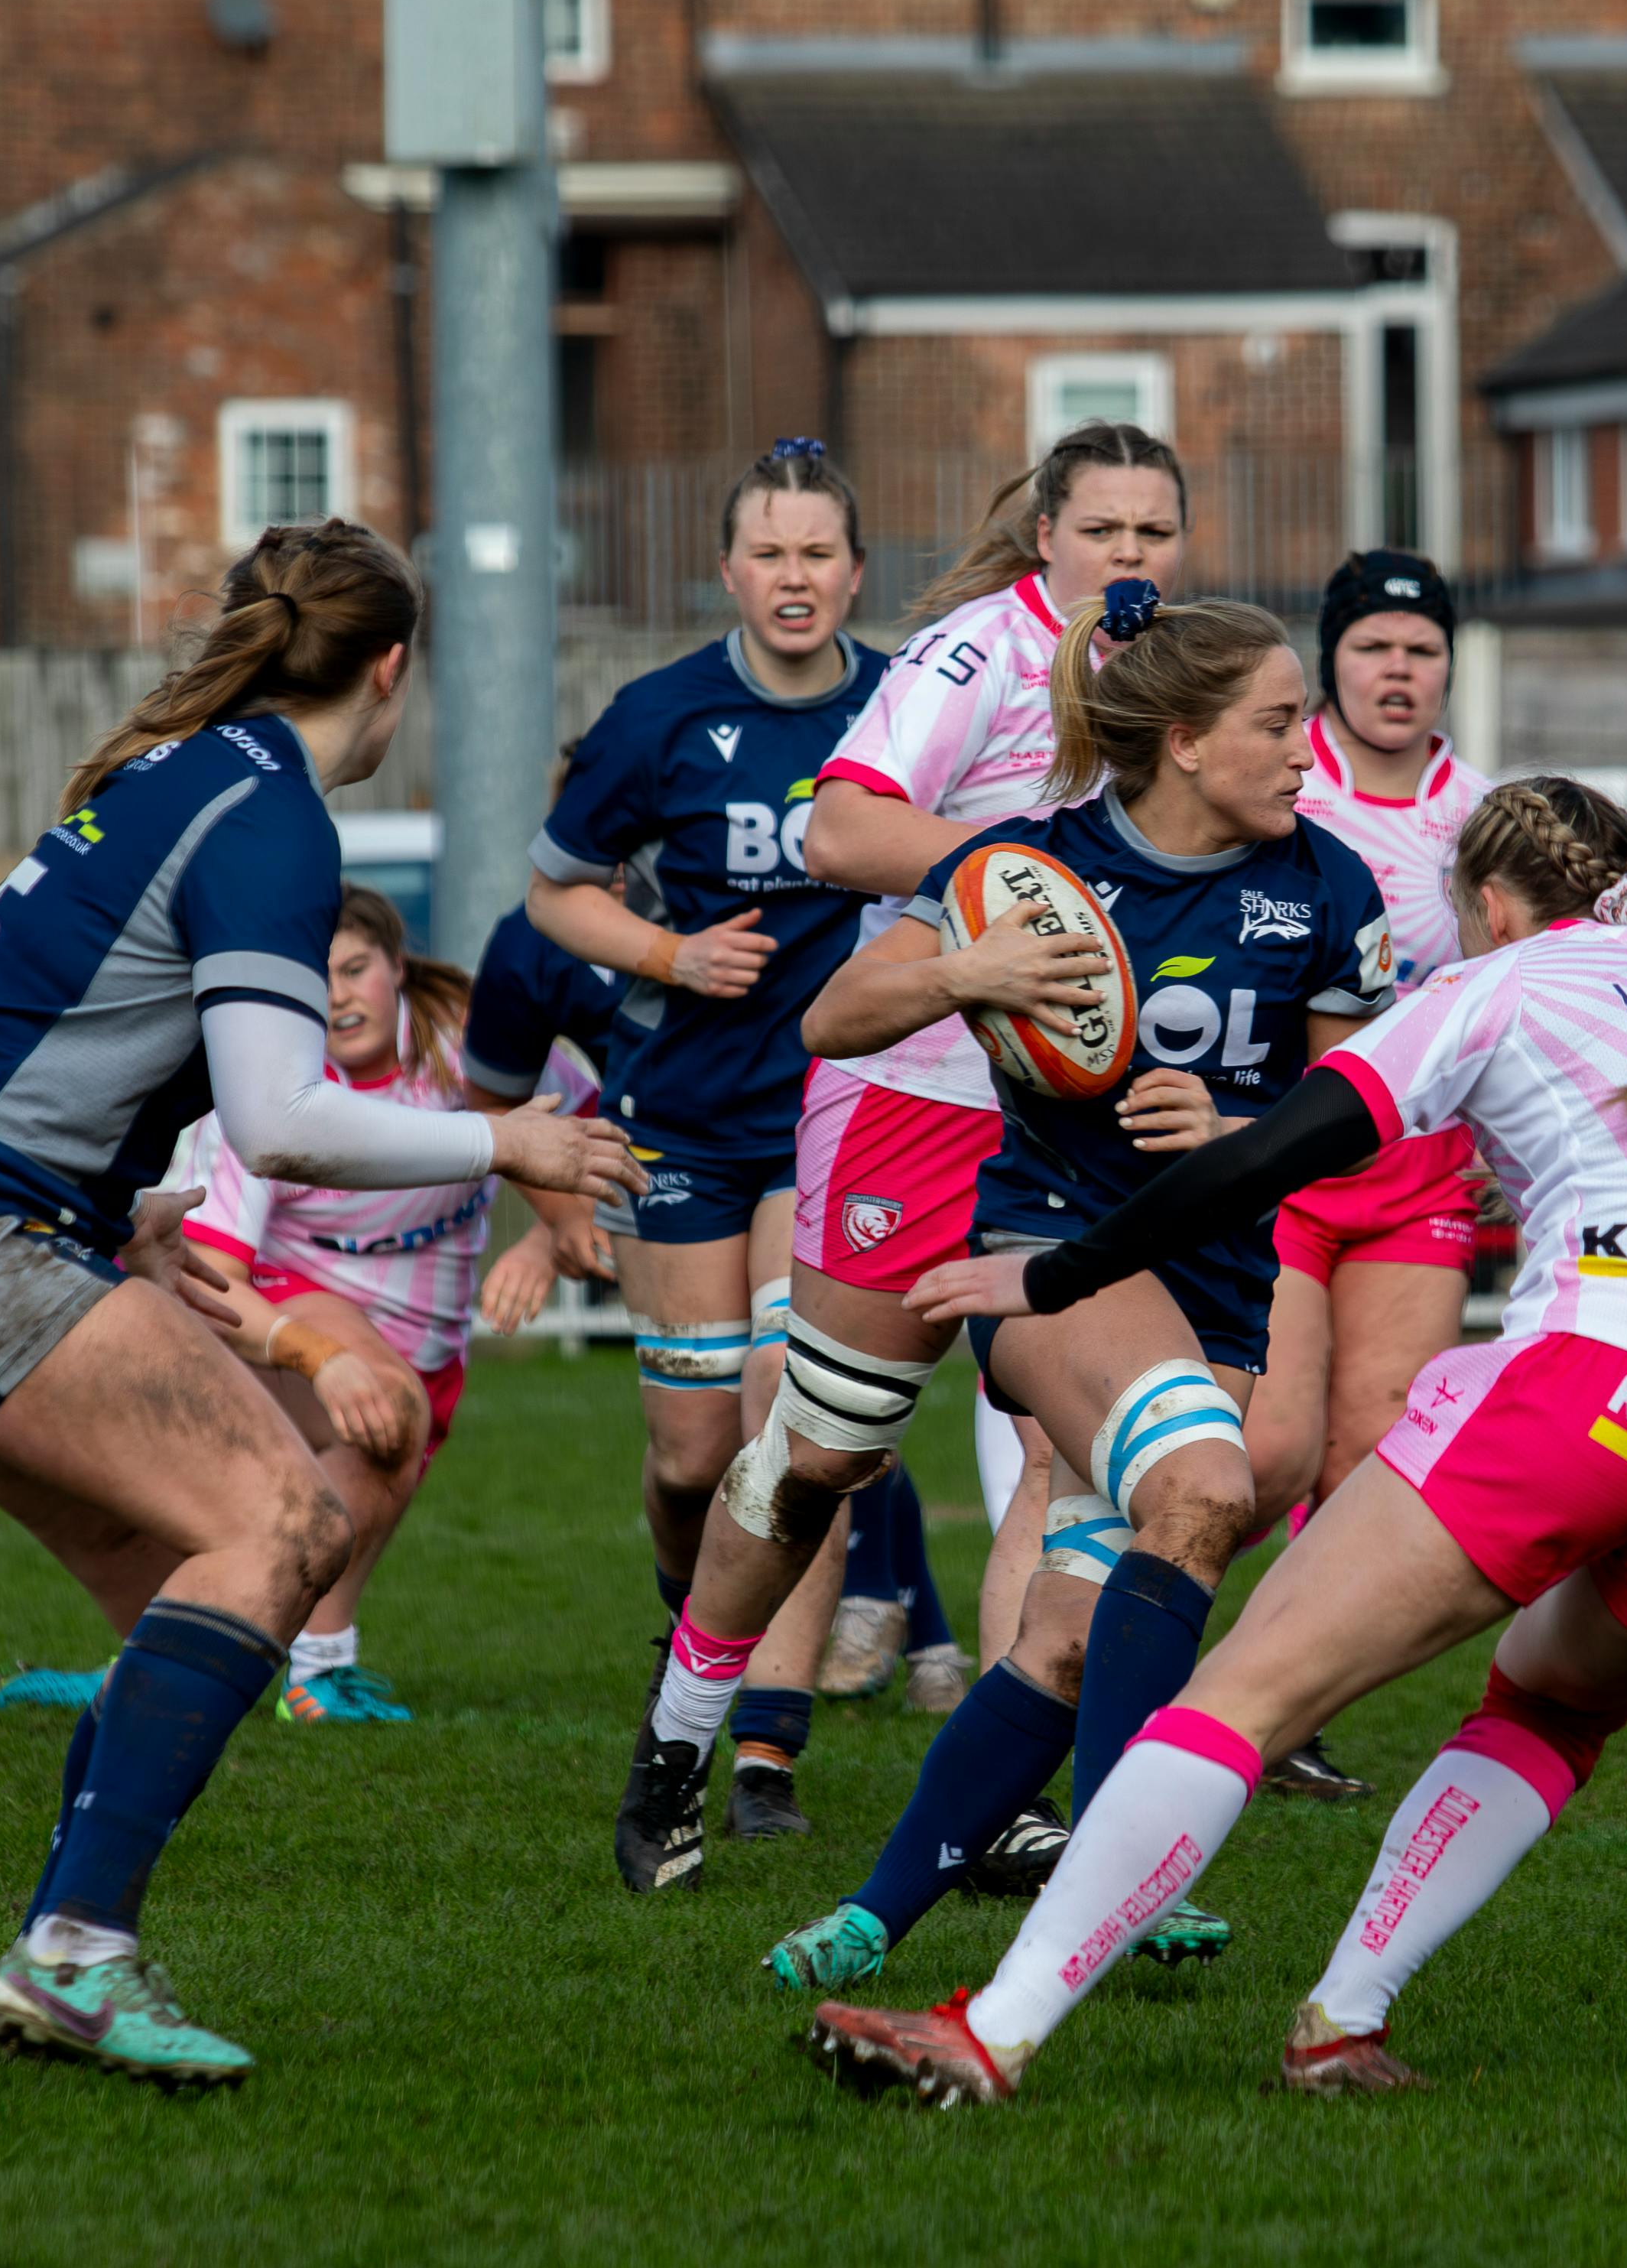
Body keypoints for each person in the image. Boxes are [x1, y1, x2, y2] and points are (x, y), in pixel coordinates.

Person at [803, 781, 1627, 2104]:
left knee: (1246, 1695)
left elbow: (1269, 1158)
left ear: (1492, 905)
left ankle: (992, 2031)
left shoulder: (1504, 980)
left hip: (1596, 1386)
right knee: (1556, 1710)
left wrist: (1057, 1277)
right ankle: (1340, 2023)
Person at [0, 522, 633, 2084]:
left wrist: (118, 1211)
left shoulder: (178, 772)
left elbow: (48, 1030)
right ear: (390, 670)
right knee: (285, 1527)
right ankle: (76, 1949)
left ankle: (68, 1952)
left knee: (187, 1594)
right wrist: (506, 1137)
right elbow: (284, 1120)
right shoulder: (269, 814)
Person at [721, 589, 1390, 1988]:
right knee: (1204, 1491)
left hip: (1218, 1285)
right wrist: (967, 969)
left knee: (1074, 1639)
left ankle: (870, 1918)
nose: (1305, 752)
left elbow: (1354, 1110)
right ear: (1189, 740)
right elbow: (830, 1018)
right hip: (1053, 1256)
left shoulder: (1333, 887)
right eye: (1278, 724)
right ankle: (1121, 1870)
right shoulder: (1029, 864)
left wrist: (1234, 1139)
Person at [613, 424, 1190, 1901]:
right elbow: (840, 828)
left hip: (1081, 1125)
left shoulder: (1178, 680)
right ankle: (680, 1739)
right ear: (1047, 536)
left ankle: (995, 1792)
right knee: (824, 1458)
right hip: (915, 1102)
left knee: (1077, 1472)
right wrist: (1019, 882)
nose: (1130, 556)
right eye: (1104, 529)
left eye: (1157, 532)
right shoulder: (973, 655)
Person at [522, 440, 888, 1837]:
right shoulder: (659, 717)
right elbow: (557, 894)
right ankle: (700, 1645)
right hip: (680, 1122)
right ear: (729, 571)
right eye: (769, 553)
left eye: (818, 553)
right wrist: (672, 957)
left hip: (835, 1126)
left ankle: (765, 1760)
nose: (793, 578)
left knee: (797, 1431)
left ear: (855, 573)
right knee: (691, 1460)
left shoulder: (903, 713)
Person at [177, 888, 583, 1723]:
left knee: (389, 1434)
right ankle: (305, 1671)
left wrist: (548, 1239)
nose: (336, 995)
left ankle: (224, 1655)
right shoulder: (261, 1090)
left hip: (430, 1342)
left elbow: (586, 1140)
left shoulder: (468, 1041)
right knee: (378, 1402)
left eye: (356, 968)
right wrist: (314, 1352)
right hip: (286, 1310)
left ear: (399, 964)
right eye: (314, 977)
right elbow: (209, 1282)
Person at [1237, 546, 1482, 1803]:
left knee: (1375, 1445)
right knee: (1271, 1448)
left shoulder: (1483, 814)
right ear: (1331, 659)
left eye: (1423, 649)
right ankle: (1153, 1650)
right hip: (1281, 1153)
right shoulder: (1278, 788)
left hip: (1418, 1168)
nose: (1400, 669)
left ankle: (1280, 1704)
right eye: (1377, 646)